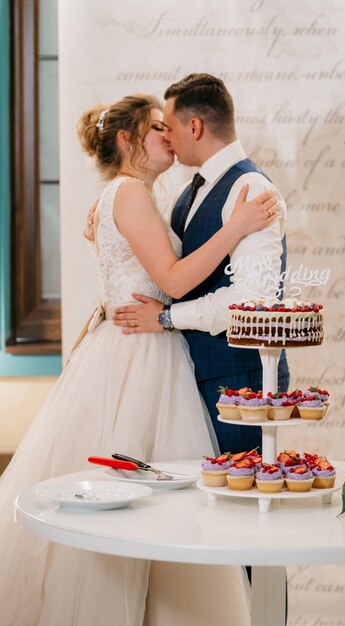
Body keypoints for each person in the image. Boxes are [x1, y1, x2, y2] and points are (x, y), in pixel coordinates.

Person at [0, 94, 278, 626]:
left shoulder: (134, 195)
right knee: (145, 500)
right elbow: (172, 281)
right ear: (127, 141)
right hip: (140, 357)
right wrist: (237, 226)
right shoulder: (128, 193)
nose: (167, 136)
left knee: (155, 502)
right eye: (155, 128)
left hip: (142, 348)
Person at [111, 74, 290, 454]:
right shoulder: (185, 193)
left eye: (169, 127)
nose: (167, 139)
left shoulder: (253, 190)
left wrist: (166, 318)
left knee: (236, 500)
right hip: (187, 375)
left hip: (239, 380)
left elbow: (252, 301)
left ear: (194, 127)